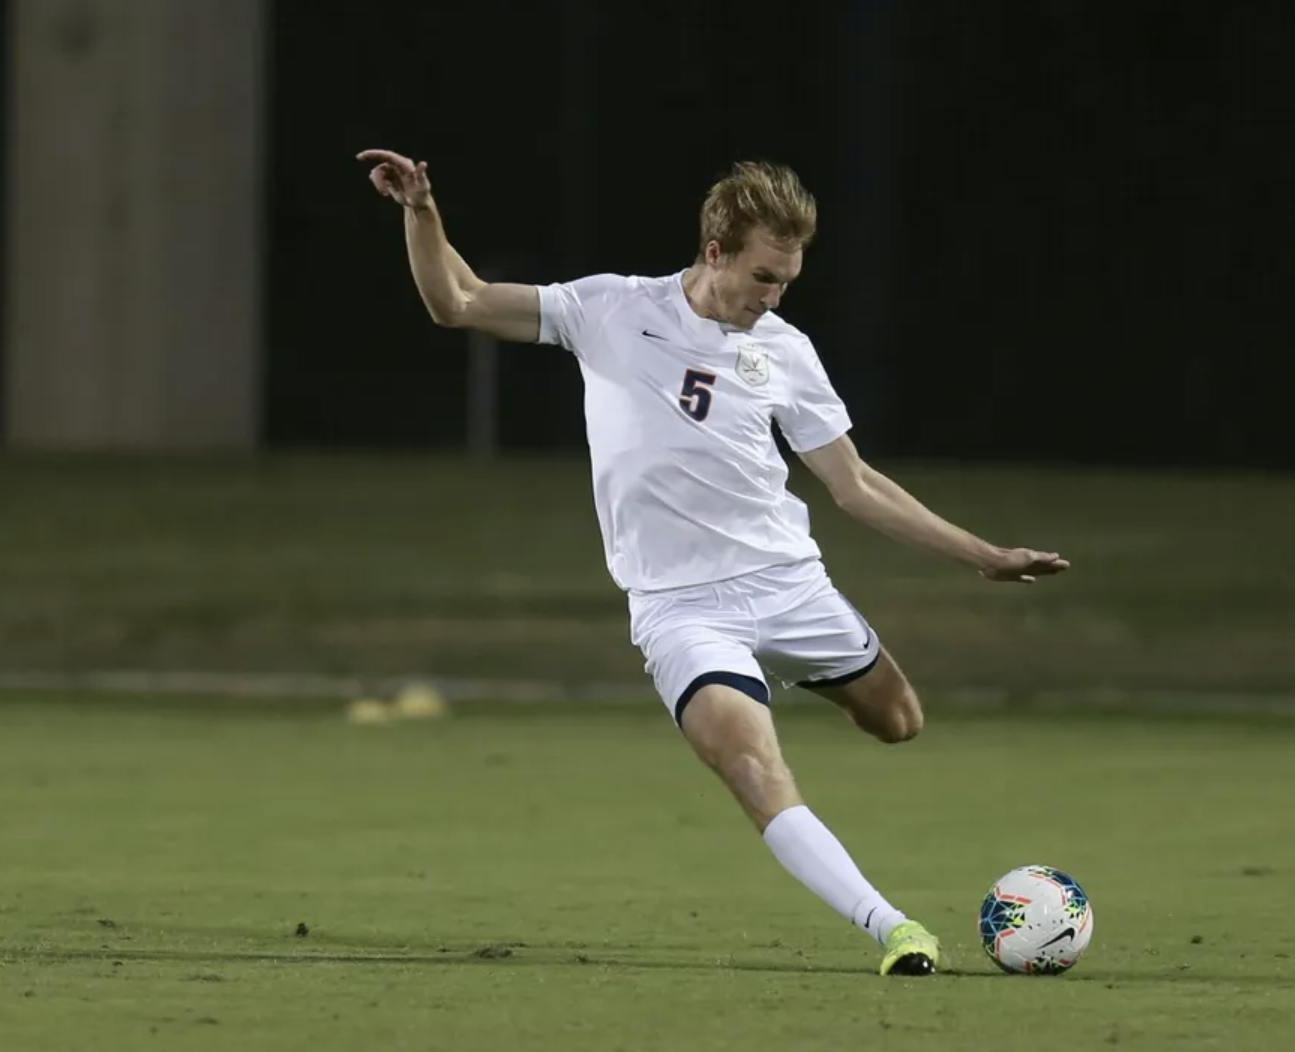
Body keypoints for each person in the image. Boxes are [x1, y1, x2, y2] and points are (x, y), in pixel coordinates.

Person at [357, 149, 1070, 975]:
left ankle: (778, 673)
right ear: (715, 252)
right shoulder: (612, 310)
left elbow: (855, 484)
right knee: (750, 761)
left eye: (788, 283)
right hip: (680, 608)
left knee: (898, 721)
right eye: (764, 277)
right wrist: (421, 209)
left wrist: (983, 557)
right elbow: (460, 301)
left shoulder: (788, 352)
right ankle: (893, 928)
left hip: (789, 586)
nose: (773, 298)